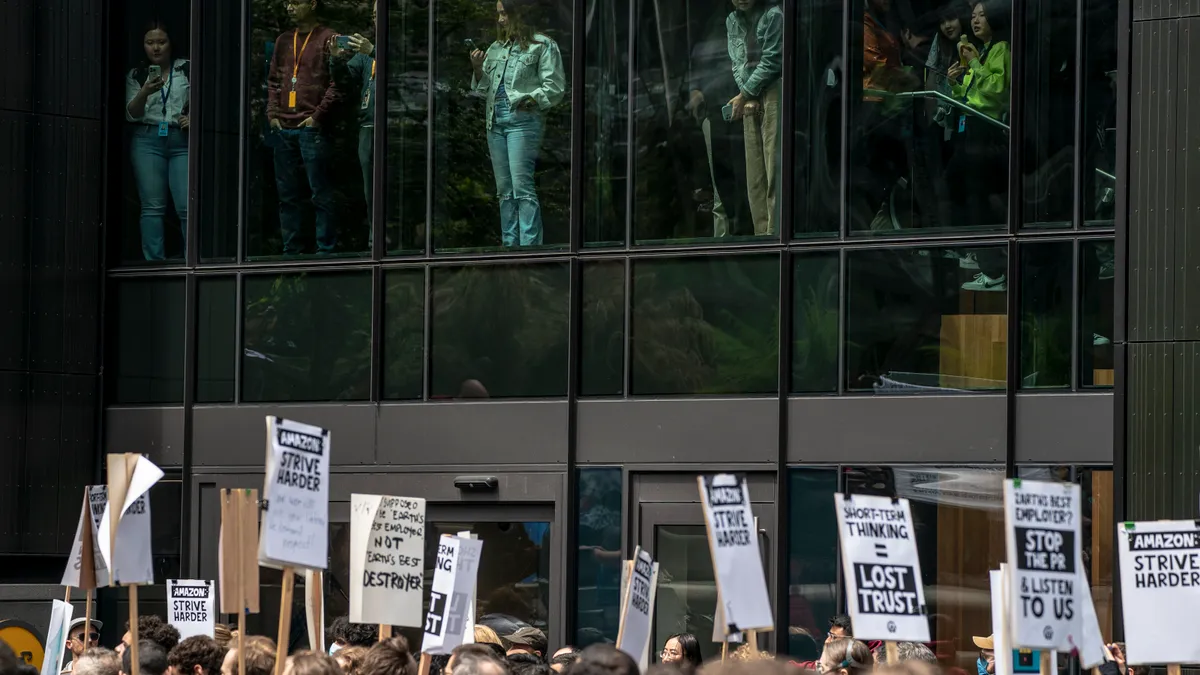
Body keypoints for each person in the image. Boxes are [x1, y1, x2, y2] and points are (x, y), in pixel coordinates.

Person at [469, 0, 566, 248]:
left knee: (522, 186)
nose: (501, 20)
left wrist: (531, 100)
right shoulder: (496, 48)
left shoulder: (542, 45)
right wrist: (478, 69)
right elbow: (482, 90)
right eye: (498, 14)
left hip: (521, 121)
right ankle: (510, 248)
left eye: (505, 14)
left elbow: (555, 87)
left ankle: (529, 251)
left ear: (518, 14)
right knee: (504, 190)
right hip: (495, 120)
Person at [266, 0, 341, 255]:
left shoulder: (328, 38)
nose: (289, 7)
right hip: (284, 125)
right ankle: (291, 253)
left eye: (296, 2)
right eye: (286, 2)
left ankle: (325, 252)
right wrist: (273, 114)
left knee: (320, 192)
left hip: (311, 126)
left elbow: (338, 81)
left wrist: (317, 117)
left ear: (312, 4)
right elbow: (274, 80)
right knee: (288, 196)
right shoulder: (284, 40)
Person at [125, 19, 190, 261]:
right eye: (150, 43)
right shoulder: (137, 74)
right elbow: (131, 114)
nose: (156, 48)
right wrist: (144, 91)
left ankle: (189, 260)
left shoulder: (186, 68)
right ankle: (153, 262)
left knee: (185, 206)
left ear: (171, 44)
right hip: (147, 139)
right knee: (152, 206)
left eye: (161, 42)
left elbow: (203, 101)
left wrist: (192, 116)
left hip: (180, 138)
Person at [726, 0, 783, 237]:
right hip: (749, 95)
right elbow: (737, 63)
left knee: (773, 170)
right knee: (755, 177)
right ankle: (762, 236)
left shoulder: (774, 15)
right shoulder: (732, 20)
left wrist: (746, 93)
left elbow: (773, 60)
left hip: (772, 91)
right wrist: (746, 94)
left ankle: (775, 234)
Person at [330, 5, 378, 246]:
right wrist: (336, 61)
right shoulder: (364, 53)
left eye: (379, 13)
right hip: (368, 126)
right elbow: (345, 82)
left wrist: (375, 51)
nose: (375, 18)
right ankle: (374, 237)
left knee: (390, 183)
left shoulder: (398, 44)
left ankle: (389, 237)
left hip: (393, 126)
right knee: (369, 186)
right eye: (373, 14)